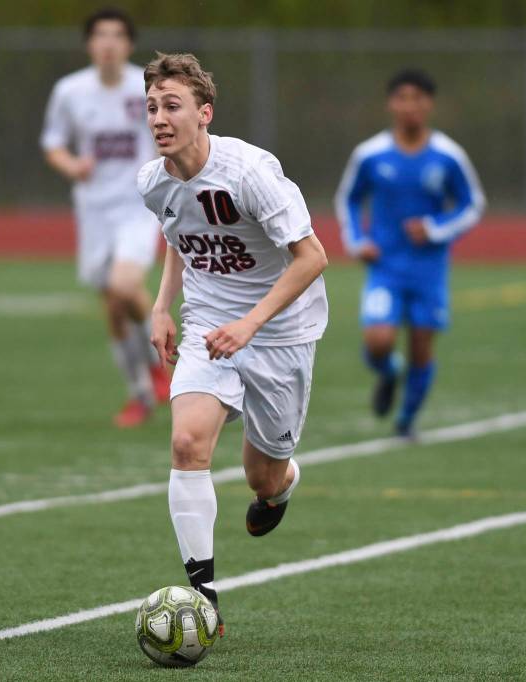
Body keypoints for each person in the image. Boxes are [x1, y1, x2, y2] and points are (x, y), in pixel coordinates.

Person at [139, 53, 329, 631]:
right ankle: (205, 600)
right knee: (187, 444)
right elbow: (180, 234)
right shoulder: (153, 182)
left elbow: (312, 258)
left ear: (205, 113)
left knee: (261, 477)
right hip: (206, 326)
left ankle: (282, 484)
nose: (159, 119)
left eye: (172, 106)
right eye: (151, 107)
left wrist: (250, 324)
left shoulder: (249, 172)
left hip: (281, 334)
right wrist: (162, 305)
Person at [334, 69, 486, 438]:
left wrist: (435, 228)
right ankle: (389, 373)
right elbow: (349, 200)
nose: (410, 106)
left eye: (418, 98)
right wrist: (357, 241)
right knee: (379, 340)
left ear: (429, 104)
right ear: (391, 104)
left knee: (421, 348)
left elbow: (472, 204)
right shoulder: (370, 155)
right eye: (402, 98)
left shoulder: (448, 156)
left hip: (428, 269)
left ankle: (406, 421)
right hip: (385, 266)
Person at [41, 7, 171, 427]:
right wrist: (72, 166)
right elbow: (54, 143)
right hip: (93, 210)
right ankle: (140, 393)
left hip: (138, 203)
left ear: (129, 44)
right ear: (90, 44)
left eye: (117, 36)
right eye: (101, 36)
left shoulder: (147, 86)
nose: (109, 44)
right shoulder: (70, 91)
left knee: (124, 284)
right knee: (113, 305)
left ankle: (161, 364)